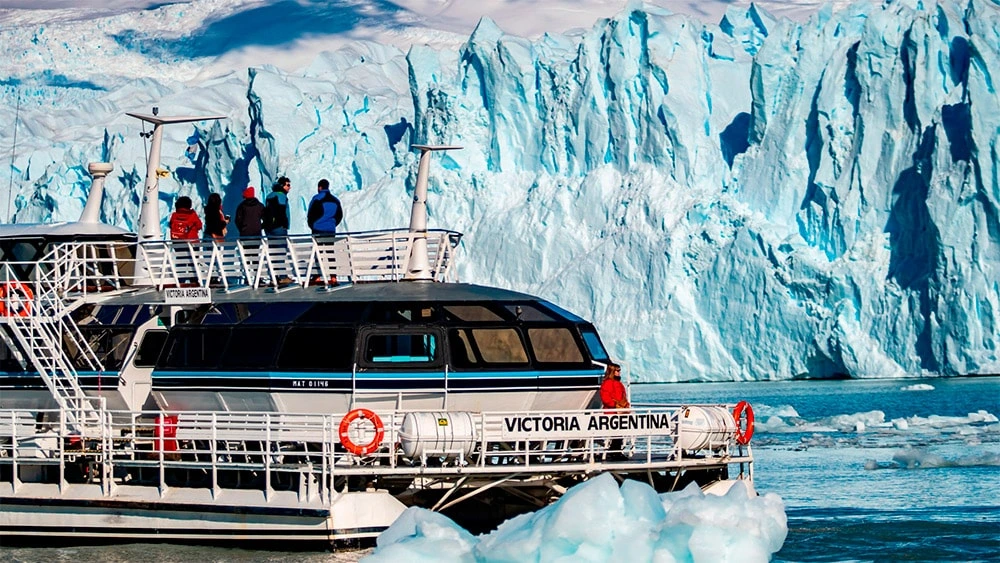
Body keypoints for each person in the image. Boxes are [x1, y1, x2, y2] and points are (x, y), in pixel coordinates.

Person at [168, 196, 202, 285]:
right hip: (192, 242)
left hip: (178, 242)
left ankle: (180, 280)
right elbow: (199, 226)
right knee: (193, 262)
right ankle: (193, 280)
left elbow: (170, 225)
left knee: (181, 261)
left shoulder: (174, 215)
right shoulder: (192, 215)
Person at [599, 363, 629, 461]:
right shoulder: (607, 383)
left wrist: (625, 405)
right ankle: (614, 452)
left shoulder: (619, 384)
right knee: (616, 432)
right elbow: (605, 398)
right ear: (612, 371)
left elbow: (623, 396)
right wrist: (615, 405)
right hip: (612, 413)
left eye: (619, 370)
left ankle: (616, 451)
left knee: (620, 433)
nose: (619, 372)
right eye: (617, 370)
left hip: (620, 412)